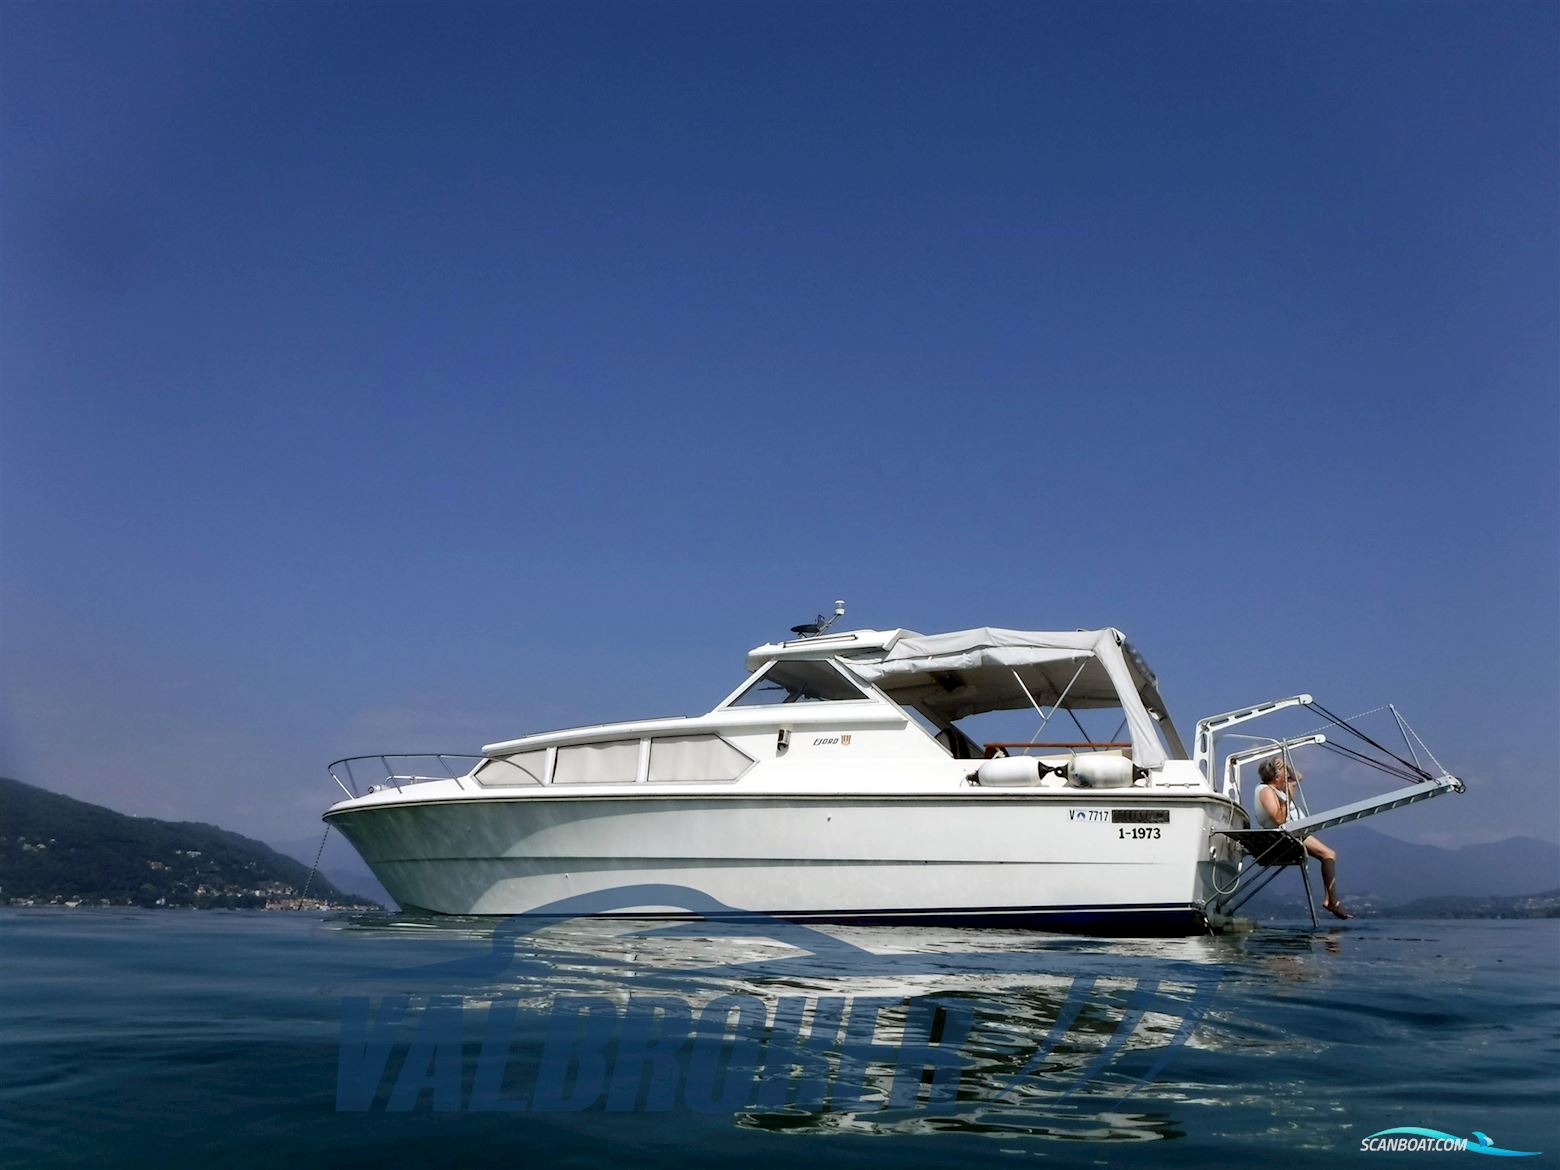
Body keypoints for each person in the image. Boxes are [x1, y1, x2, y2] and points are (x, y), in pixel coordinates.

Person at [1256, 756, 1354, 920]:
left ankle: (1331, 900)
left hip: (1296, 831)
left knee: (1328, 855)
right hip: (1286, 834)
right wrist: (1287, 797)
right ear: (1276, 777)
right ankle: (1332, 901)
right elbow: (1278, 819)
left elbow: (1299, 777)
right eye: (1284, 774)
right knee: (1328, 854)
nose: (1288, 777)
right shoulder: (1266, 791)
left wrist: (1286, 765)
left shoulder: (1276, 789)